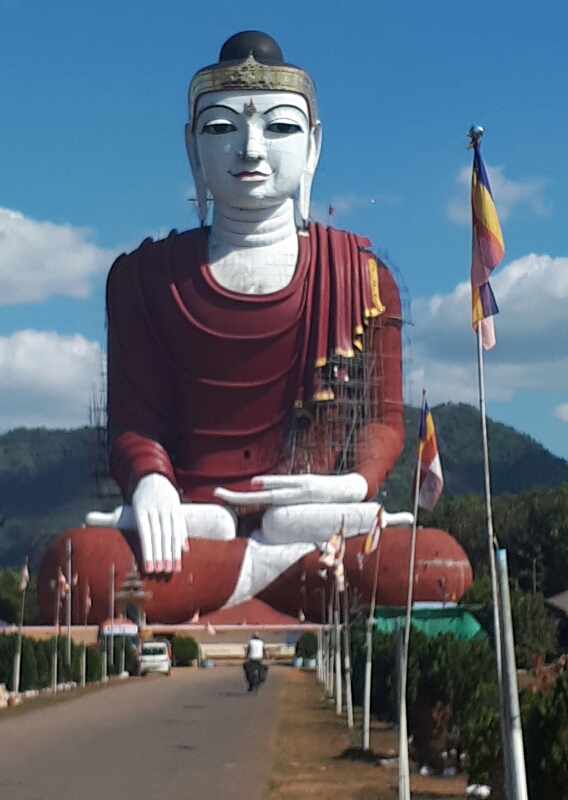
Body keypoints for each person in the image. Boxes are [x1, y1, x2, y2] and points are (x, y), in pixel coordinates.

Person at [63, 31, 472, 624]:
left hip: (309, 517)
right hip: (193, 520)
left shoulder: (362, 277)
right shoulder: (144, 279)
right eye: (221, 128)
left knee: (438, 563)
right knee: (77, 567)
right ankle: (274, 572)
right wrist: (151, 483)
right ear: (192, 147)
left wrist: (352, 487)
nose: (251, 149)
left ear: (312, 147)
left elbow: (382, 422)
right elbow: (134, 425)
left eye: (279, 127)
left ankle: (235, 577)